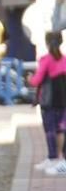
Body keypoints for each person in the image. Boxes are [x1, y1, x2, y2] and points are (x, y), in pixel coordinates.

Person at [29, 31, 66, 176]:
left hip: (49, 101)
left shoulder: (46, 60)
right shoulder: (64, 59)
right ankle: (59, 159)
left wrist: (30, 79)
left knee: (50, 130)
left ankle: (53, 158)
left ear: (46, 43)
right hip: (63, 101)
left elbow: (36, 81)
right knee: (61, 129)